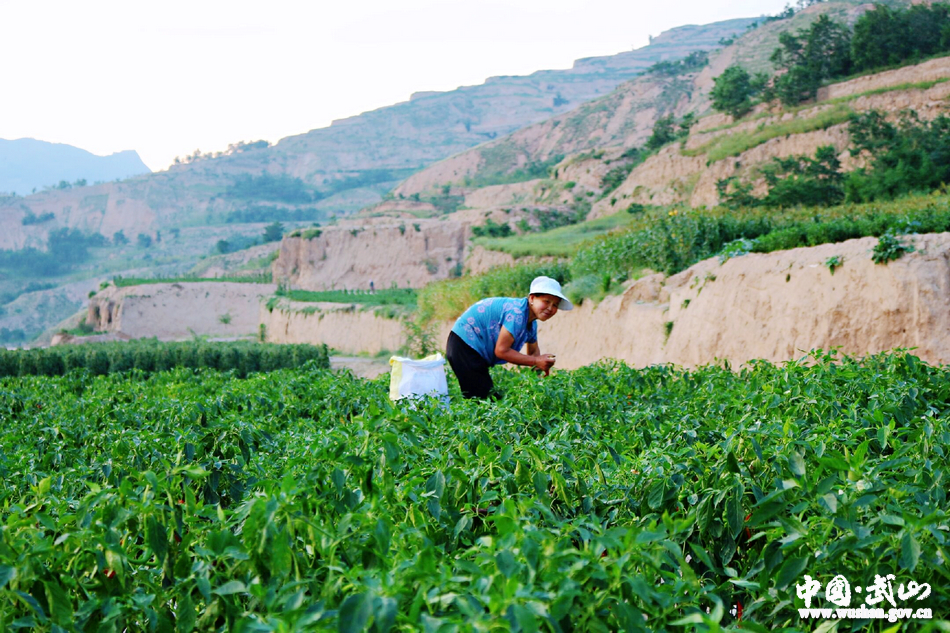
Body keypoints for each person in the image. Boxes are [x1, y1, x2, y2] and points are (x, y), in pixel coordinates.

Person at [445, 276, 572, 399]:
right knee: (482, 400)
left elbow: (533, 353)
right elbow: (501, 351)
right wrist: (536, 362)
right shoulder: (517, 313)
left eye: (555, 305)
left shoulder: (531, 323)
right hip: (464, 344)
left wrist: (539, 374)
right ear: (532, 298)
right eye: (546, 301)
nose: (550, 308)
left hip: (470, 348)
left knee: (486, 397)